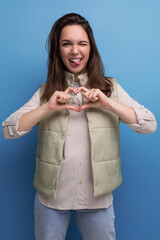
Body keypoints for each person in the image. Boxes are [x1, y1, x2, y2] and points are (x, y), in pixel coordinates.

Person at [2, 13, 157, 240]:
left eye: (82, 43)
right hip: (50, 202)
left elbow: (150, 124)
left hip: (98, 201)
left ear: (91, 49)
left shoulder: (110, 88)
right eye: (67, 44)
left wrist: (107, 104)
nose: (75, 51)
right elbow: (8, 130)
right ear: (58, 50)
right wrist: (47, 108)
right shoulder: (46, 92)